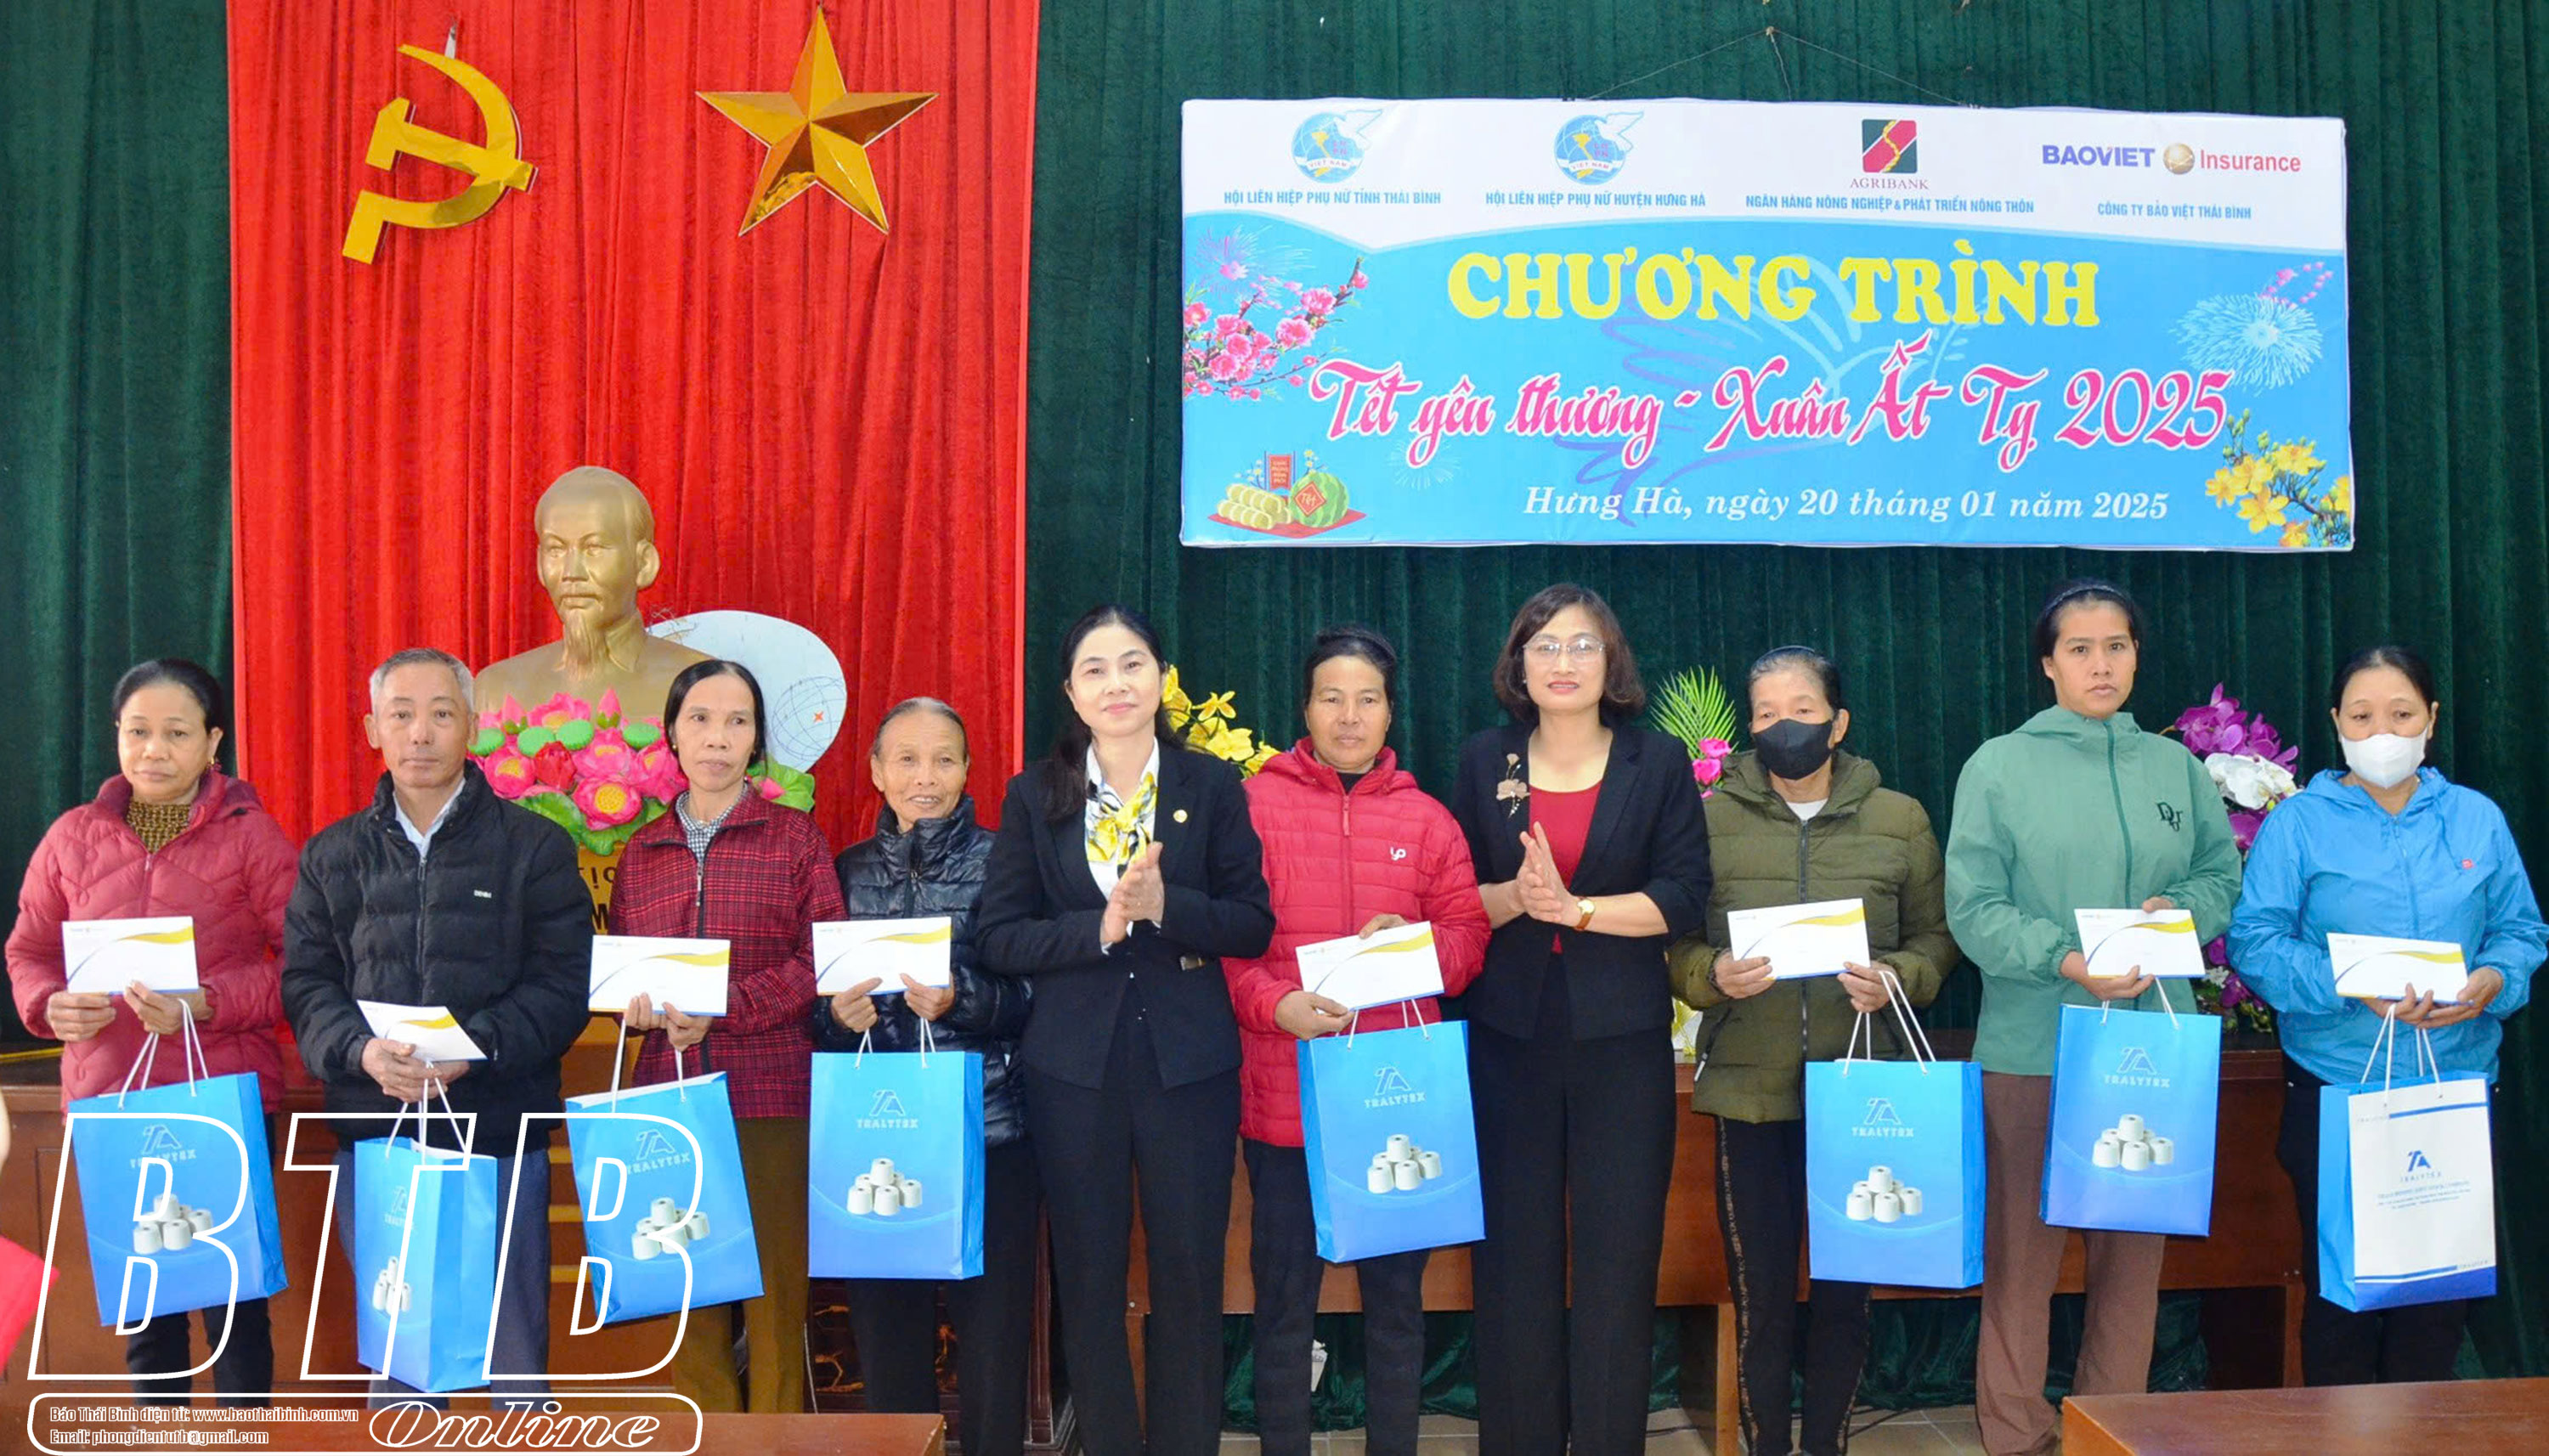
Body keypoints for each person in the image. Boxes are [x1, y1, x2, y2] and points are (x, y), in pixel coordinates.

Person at [1943, 581, 2242, 1456]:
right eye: (2080, 648)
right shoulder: (1998, 766)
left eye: (2117, 645)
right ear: (2049, 664)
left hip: (2149, 1043)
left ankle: (2114, 1426)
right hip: (2035, 1045)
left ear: (2137, 655)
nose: (2100, 664)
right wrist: (2066, 960)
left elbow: (2220, 875)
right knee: (2022, 1259)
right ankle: (2015, 1432)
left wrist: (2181, 910)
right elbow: (1975, 908)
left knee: (2133, 1257)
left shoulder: (2176, 769)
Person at [975, 605, 1274, 1456]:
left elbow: (1252, 923)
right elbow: (999, 937)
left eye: (1133, 663)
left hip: (1189, 1066)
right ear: (1072, 692)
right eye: (1096, 670)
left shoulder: (1209, 785)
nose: (1117, 683)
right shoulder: (1035, 795)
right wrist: (1100, 928)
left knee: (1190, 1275)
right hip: (1074, 1070)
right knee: (1090, 1274)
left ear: (1161, 678)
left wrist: (1167, 907)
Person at [1666, 646, 1957, 1456]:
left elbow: (1938, 939)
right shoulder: (1708, 820)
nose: (1783, 727)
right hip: (1749, 1092)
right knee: (1759, 1294)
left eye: (1801, 710)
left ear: (1839, 723)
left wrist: (1899, 977)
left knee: (1843, 1293)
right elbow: (1674, 944)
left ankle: (1827, 1442)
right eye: (1765, 714)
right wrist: (1711, 974)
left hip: (1862, 1092)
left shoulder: (1899, 818)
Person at [2228, 645, 2546, 1385]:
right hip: (2339, 1088)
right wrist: (2347, 983)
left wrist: (2493, 980)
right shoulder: (2300, 823)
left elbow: (2521, 930)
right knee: (2343, 1303)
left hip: (2455, 1088)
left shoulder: (2476, 819)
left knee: (2437, 1303)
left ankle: (2422, 1434)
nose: (2382, 733)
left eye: (2401, 715)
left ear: (2431, 719)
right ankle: (2341, 1433)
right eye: (2362, 716)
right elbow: (2256, 942)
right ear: (2336, 723)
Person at [281, 647, 593, 1401]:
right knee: (403, 1355)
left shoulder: (535, 848)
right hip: (380, 1137)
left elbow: (563, 986)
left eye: (441, 714)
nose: (420, 733)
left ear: (472, 728)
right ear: (373, 730)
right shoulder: (332, 855)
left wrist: (475, 1048)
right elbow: (306, 983)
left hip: (498, 1131)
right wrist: (360, 1053)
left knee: (511, 1364)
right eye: (402, 715)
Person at [1446, 584, 1711, 1456]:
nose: (1564, 662)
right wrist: (1516, 899)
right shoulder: (1483, 759)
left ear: (1612, 662)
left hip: (1620, 1041)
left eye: (1583, 645)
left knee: (1617, 1258)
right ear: (1519, 663)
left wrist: (1577, 910)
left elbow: (1684, 896)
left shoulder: (1656, 760)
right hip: (1507, 1038)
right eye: (1546, 645)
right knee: (1513, 1259)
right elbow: (1454, 898)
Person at [1223, 627, 1490, 1456]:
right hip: (1286, 1094)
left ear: (1389, 712)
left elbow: (1468, 941)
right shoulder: (1251, 807)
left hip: (1390, 1097)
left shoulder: (1428, 819)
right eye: (1331, 697)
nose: (1349, 715)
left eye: (1366, 699)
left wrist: (1415, 944)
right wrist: (1277, 1007)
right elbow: (1223, 949)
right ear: (1305, 708)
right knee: (1282, 1304)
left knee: (1397, 1305)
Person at [8, 660, 298, 1405]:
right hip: (110, 1100)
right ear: (117, 736)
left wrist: (207, 1003)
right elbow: (29, 952)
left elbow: (306, 966)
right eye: (137, 732)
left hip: (220, 1098)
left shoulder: (252, 838)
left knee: (234, 1303)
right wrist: (48, 1004)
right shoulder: (72, 837)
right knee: (147, 1305)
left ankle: (244, 1443)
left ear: (213, 743)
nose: (154, 751)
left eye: (176, 733)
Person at [610, 658, 844, 1413]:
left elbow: (821, 961)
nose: (718, 738)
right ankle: (706, 1432)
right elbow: (620, 973)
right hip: (667, 1101)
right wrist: (631, 1008)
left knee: (776, 1292)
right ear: (672, 736)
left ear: (756, 741)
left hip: (772, 1092)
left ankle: (775, 1438)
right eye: (701, 720)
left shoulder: (795, 840)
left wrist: (729, 1007)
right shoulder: (640, 852)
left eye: (737, 722)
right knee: (687, 1288)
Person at [817, 697, 1036, 1453]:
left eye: (944, 760)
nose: (925, 777)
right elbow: (814, 1011)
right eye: (906, 760)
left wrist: (960, 999)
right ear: (876, 772)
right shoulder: (845, 872)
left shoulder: (1007, 862)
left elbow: (1038, 996)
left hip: (989, 1129)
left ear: (969, 770)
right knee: (887, 1334)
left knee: (994, 1334)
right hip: (878, 1133)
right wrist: (837, 1018)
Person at [473, 466, 710, 717]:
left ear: (644, 564)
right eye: (556, 549)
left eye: (594, 548)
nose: (571, 572)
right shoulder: (497, 689)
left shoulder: (703, 686)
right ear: (540, 565)